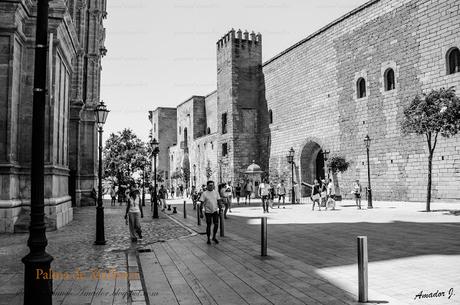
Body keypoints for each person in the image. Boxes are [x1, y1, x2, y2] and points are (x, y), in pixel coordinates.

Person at [199, 180, 221, 245]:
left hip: (215, 211)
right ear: (207, 186)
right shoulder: (204, 193)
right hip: (208, 212)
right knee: (209, 224)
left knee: (216, 224)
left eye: (212, 185)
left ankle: (214, 236)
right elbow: (201, 204)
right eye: (210, 185)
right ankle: (208, 238)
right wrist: (201, 213)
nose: (211, 186)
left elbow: (219, 201)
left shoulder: (216, 193)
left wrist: (220, 209)